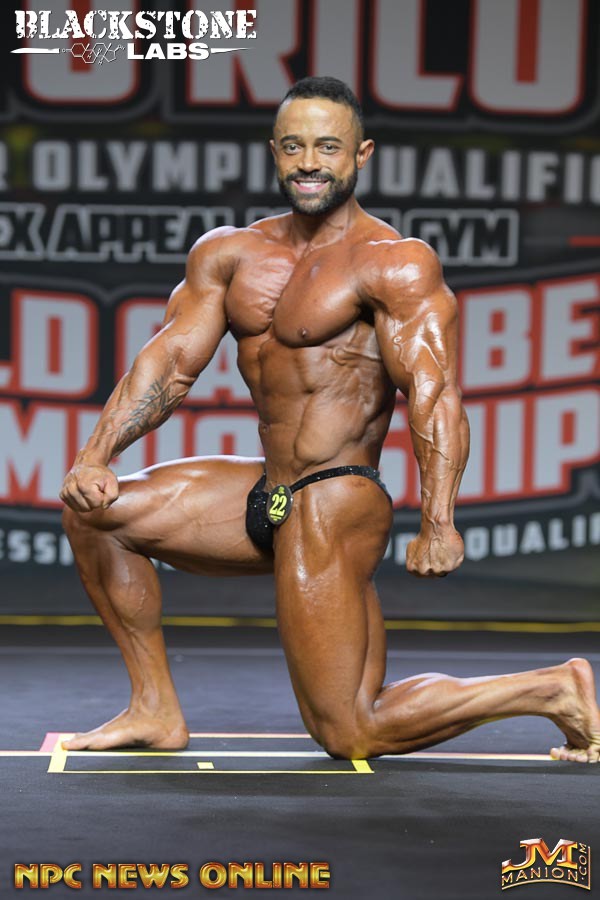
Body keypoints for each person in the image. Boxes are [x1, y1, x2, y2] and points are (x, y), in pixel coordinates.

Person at [60, 76, 600, 763]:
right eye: (293, 146)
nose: (308, 162)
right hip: (271, 485)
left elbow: (433, 393)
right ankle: (154, 708)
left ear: (360, 155)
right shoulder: (229, 254)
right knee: (94, 514)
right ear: (274, 153)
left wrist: (439, 520)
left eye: (326, 146)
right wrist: (95, 455)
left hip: (337, 494)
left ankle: (552, 688)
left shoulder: (394, 264)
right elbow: (167, 365)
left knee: (351, 731)